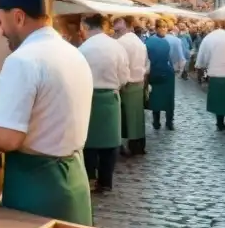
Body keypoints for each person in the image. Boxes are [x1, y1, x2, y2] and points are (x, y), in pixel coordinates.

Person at [0, 0, 93, 224]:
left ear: (18, 17)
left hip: (37, 187)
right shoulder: (73, 53)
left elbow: (8, 138)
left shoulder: (22, 59)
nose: (1, 31)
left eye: (0, 22)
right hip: (74, 179)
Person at [77, 14, 128, 192]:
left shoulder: (83, 49)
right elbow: (124, 77)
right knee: (110, 142)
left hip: (88, 97)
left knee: (89, 142)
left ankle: (90, 178)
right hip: (110, 97)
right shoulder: (116, 47)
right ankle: (106, 181)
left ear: (86, 27)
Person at [195, 20, 225, 131]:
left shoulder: (208, 38)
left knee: (218, 100)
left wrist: (202, 65)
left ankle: (220, 123)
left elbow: (203, 56)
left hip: (215, 73)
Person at [113, 16, 149, 155]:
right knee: (137, 116)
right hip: (139, 82)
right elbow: (146, 63)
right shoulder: (140, 43)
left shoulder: (121, 43)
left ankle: (127, 145)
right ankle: (139, 145)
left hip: (126, 83)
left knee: (125, 117)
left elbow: (120, 65)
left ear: (124, 25)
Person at [145, 21, 183, 130]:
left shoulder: (150, 41)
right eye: (161, 27)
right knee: (158, 98)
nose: (163, 29)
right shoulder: (151, 42)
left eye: (165, 27)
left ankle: (168, 121)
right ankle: (158, 121)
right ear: (156, 28)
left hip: (164, 73)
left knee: (167, 99)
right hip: (158, 72)